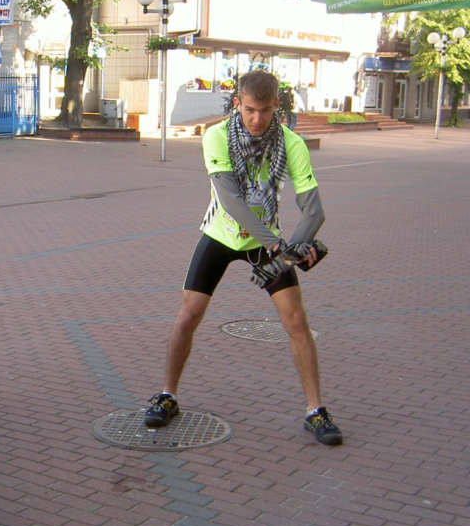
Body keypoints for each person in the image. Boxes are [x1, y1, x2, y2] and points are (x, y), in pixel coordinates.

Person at [142, 69, 342, 446]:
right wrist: (278, 245)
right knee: (189, 314)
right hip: (222, 234)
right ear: (237, 105)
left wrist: (293, 250)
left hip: (269, 244)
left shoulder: (291, 144)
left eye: (265, 111)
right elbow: (231, 202)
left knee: (296, 320)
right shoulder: (217, 137)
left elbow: (314, 211)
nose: (257, 119)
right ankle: (168, 395)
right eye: (249, 110)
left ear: (276, 108)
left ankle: (315, 411)